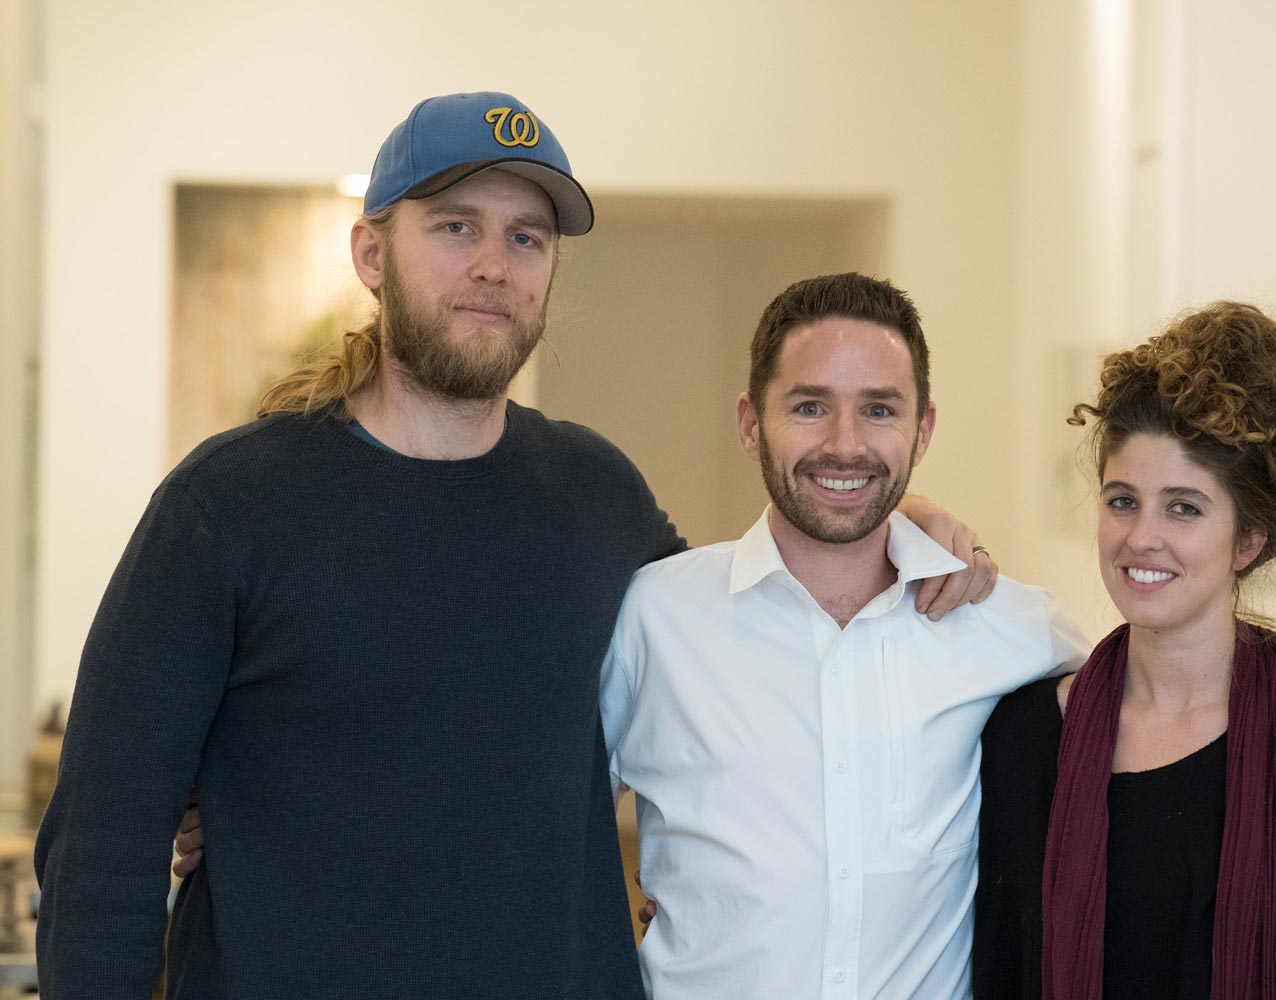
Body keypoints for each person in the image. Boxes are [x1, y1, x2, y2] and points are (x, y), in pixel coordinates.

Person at [33, 93, 993, 1000]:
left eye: (525, 237)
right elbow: (100, 850)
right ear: (371, 252)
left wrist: (893, 523)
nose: (494, 264)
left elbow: (747, 636)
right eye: (457, 226)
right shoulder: (228, 506)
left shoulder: (597, 497)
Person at [594, 278, 1276, 999]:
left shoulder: (1013, 639)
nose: (844, 443)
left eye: (878, 410)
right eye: (810, 405)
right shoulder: (656, 619)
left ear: (921, 433)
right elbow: (545, 835)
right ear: (750, 422)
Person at [972, 302, 1276, 999]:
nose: (1141, 539)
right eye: (1122, 500)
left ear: (1249, 540)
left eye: (1184, 507)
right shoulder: (1022, 740)